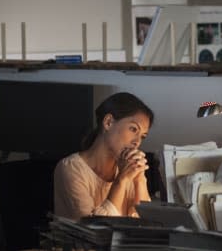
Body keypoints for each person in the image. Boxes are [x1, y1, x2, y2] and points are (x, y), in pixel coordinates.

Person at [54, 92, 154, 220]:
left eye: (142, 136)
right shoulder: (70, 168)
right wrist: (121, 180)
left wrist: (139, 180)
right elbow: (95, 229)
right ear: (108, 122)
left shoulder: (128, 168)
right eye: (133, 129)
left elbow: (145, 225)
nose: (137, 142)